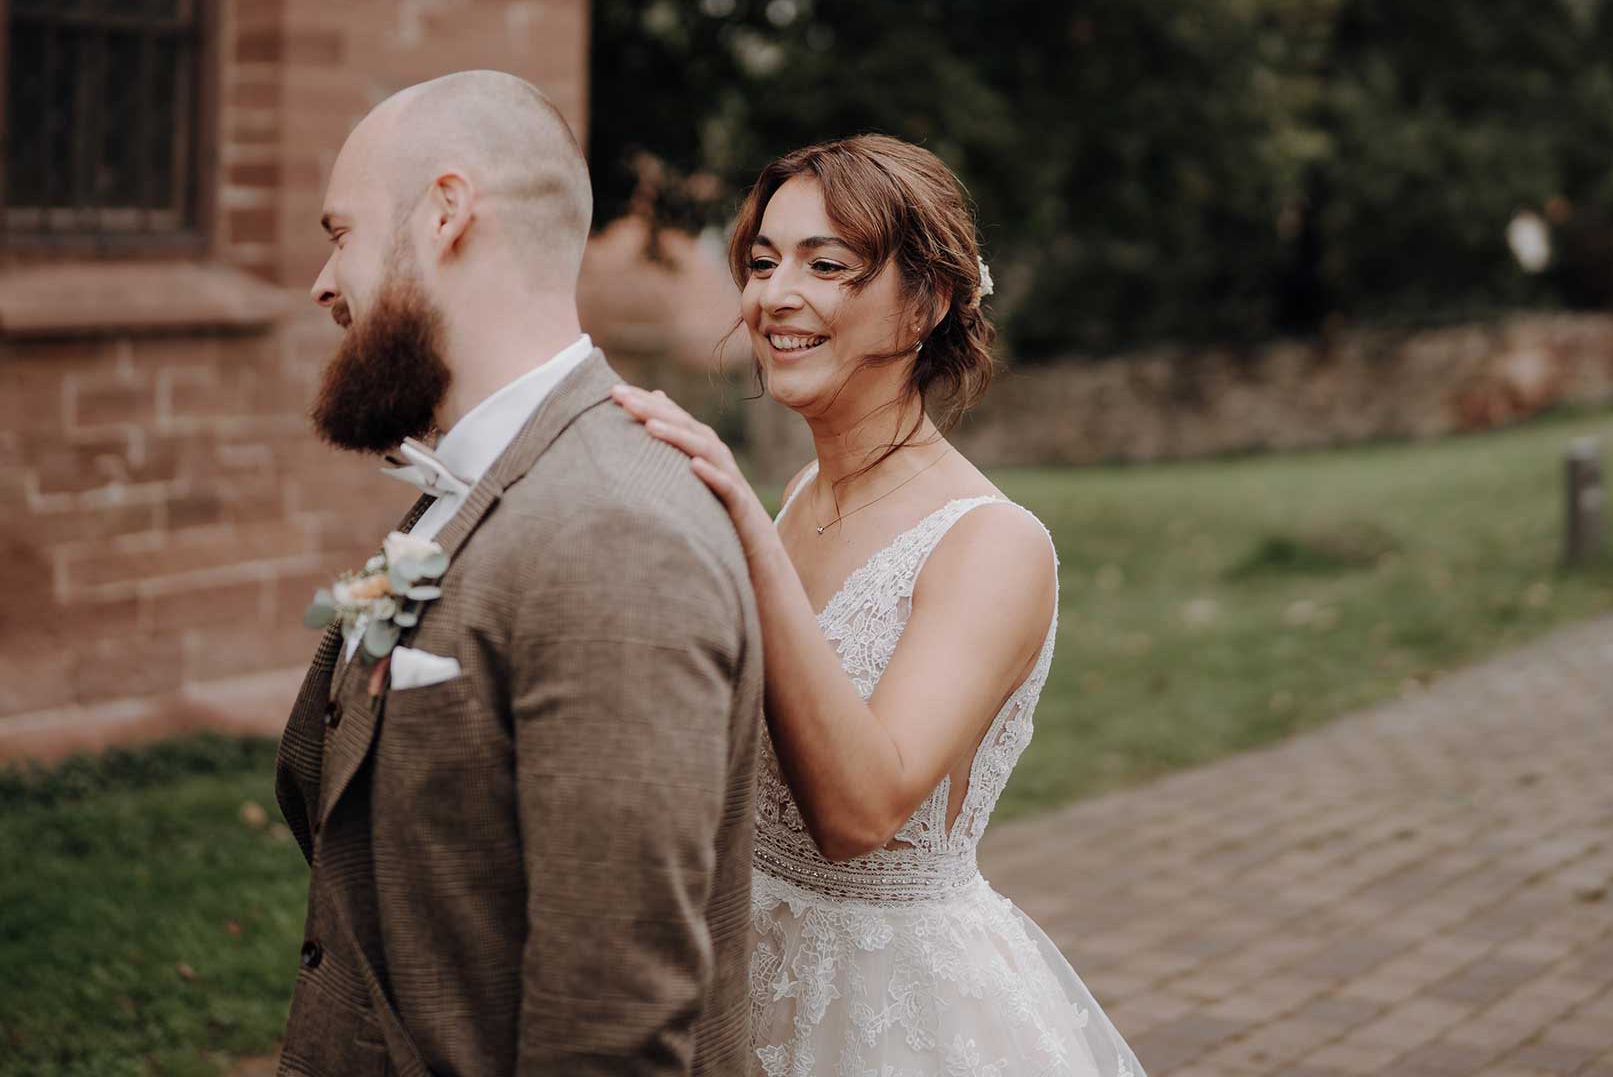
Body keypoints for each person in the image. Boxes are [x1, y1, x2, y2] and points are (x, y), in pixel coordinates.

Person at [615, 134, 1146, 1076]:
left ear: (926, 304)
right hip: (742, 967)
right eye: (764, 261)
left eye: (828, 266)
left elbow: (859, 816)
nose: (776, 294)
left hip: (887, 1011)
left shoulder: (991, 544)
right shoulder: (800, 500)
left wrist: (739, 528)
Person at [275, 70, 763, 1076]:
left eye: (342, 232)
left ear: (446, 212)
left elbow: (612, 1020)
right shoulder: (474, 479)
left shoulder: (615, 534)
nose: (324, 282)